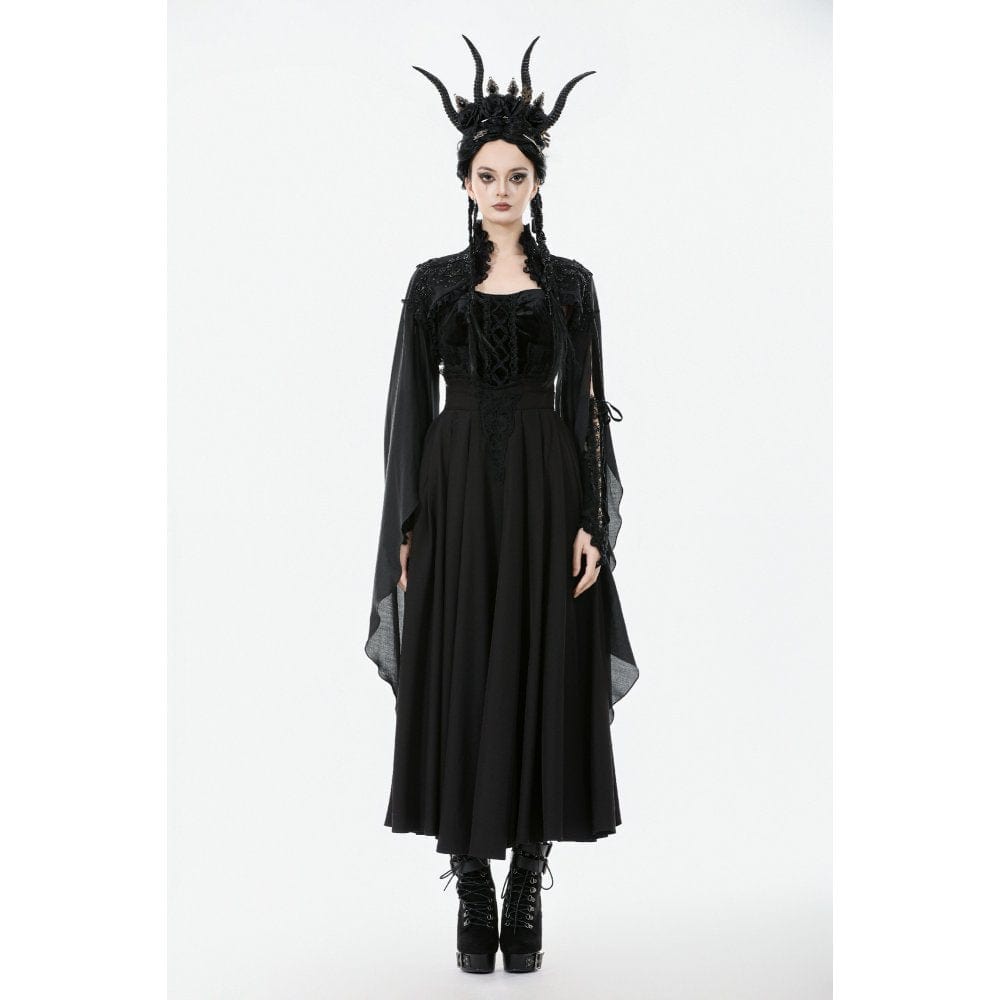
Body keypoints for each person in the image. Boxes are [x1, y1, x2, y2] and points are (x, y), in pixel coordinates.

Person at [364, 35, 639, 974]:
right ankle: (472, 882)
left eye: (517, 175)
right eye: (487, 175)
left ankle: (526, 879)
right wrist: (408, 526)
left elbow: (587, 407)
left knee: (539, 667)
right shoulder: (433, 284)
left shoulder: (571, 287)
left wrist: (592, 523)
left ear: (538, 182)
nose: (502, 189)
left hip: (546, 492)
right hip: (455, 497)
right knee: (465, 668)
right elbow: (408, 410)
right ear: (465, 183)